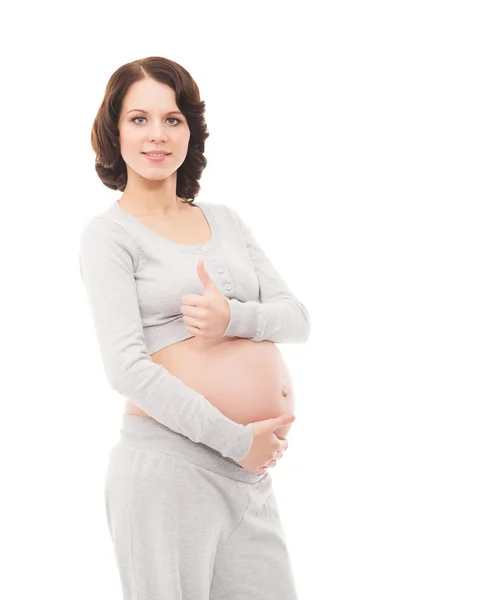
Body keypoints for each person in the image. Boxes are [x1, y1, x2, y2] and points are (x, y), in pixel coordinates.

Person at [79, 56, 311, 600]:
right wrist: (236, 440)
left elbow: (297, 318)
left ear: (191, 131)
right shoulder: (108, 236)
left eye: (173, 118)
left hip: (248, 477)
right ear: (114, 131)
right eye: (139, 119)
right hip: (169, 471)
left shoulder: (225, 220)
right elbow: (126, 369)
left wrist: (235, 318)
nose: (157, 135)